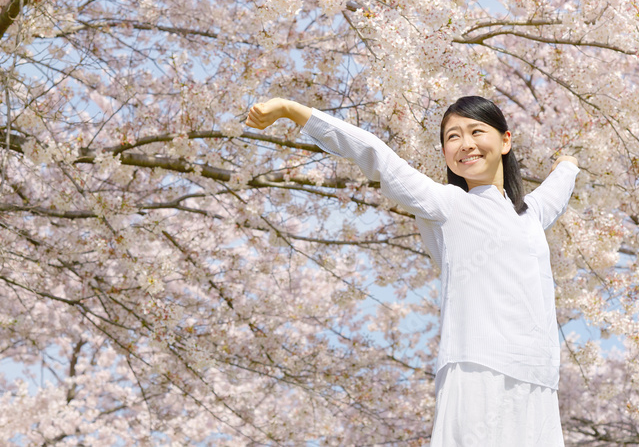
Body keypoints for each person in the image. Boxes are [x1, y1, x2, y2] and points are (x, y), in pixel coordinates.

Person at [246, 96, 580, 446]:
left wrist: (569, 163)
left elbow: (557, 190)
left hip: (539, 379)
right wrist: (291, 110)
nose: (465, 144)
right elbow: (374, 154)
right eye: (453, 137)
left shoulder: (530, 216)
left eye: (476, 131)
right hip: (478, 368)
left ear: (505, 140)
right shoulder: (448, 204)